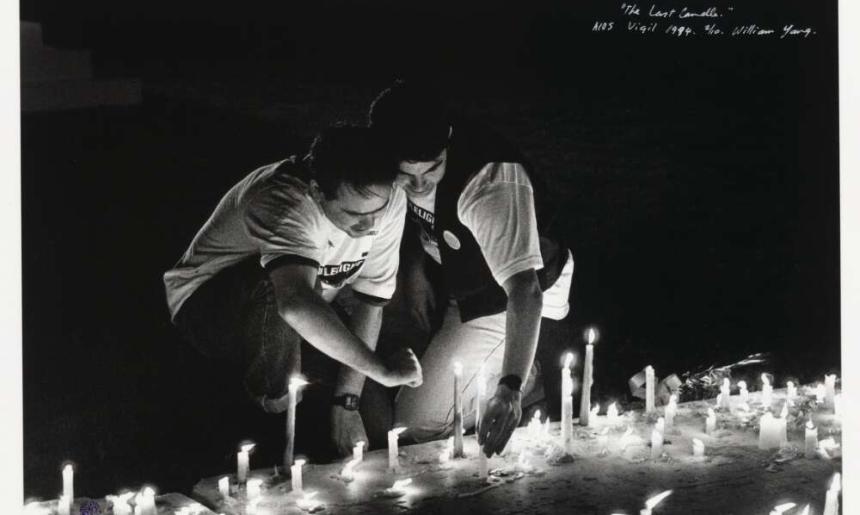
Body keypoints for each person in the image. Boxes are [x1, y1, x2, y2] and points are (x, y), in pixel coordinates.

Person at [163, 125, 422, 457]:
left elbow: (371, 303)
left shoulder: (390, 198)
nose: (369, 226)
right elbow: (294, 302)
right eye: (354, 215)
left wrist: (348, 402)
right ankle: (271, 413)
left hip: (304, 306)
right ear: (317, 191)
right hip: (209, 304)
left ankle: (301, 410)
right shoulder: (285, 202)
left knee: (373, 423)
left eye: (377, 212)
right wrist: (382, 370)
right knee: (278, 289)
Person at [368, 81, 574, 456]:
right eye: (405, 175)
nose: (419, 185)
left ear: (448, 141)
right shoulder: (385, 160)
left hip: (511, 298)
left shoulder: (488, 183)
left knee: (416, 423)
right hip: (459, 283)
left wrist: (510, 386)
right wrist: (414, 270)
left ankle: (531, 374)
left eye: (432, 169)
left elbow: (525, 289)